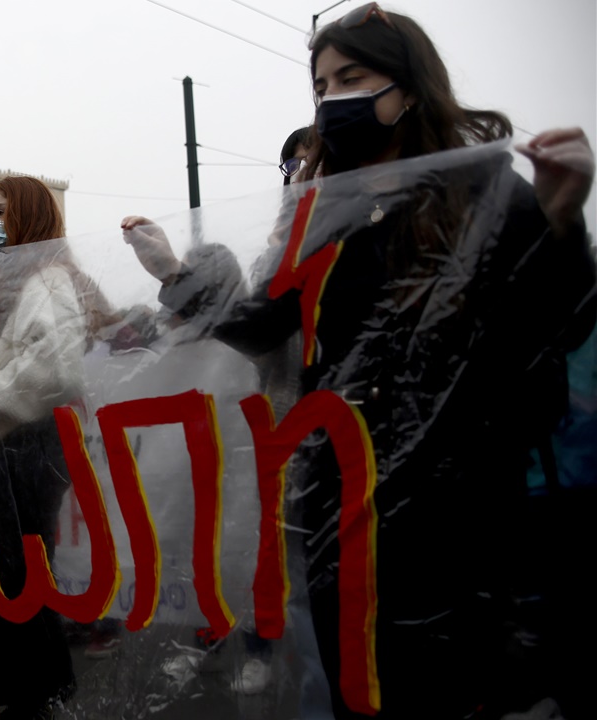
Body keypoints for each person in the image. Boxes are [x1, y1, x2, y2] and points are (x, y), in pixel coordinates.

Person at [120, 4, 595, 718]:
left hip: (456, 504)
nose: (332, 96)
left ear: (407, 86)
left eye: (354, 76)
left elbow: (555, 326)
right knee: (352, 679)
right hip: (335, 495)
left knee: (448, 687)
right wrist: (171, 273)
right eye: (320, 84)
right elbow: (265, 326)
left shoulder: (486, 191)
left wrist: (563, 224)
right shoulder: (317, 211)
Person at [0, 175, 93, 718]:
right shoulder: (11, 283)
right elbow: (17, 356)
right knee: (2, 571)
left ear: (30, 217)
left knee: (13, 573)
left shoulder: (49, 278)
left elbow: (55, 366)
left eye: (4, 212)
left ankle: (22, 692)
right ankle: (20, 686)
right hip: (8, 446)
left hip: (26, 446)